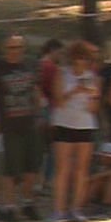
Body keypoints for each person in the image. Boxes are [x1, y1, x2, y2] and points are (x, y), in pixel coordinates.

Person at [0, 35, 44, 222]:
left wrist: (39, 112)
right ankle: (9, 206)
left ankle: (28, 203)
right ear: (4, 49)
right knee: (11, 168)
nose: (15, 51)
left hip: (30, 122)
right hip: (10, 124)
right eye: (11, 47)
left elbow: (35, 89)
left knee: (31, 166)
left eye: (19, 47)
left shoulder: (30, 64)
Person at [48, 39, 101, 222]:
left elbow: (95, 107)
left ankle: (76, 208)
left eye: (84, 59)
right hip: (64, 124)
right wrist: (75, 91)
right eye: (78, 58)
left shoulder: (93, 77)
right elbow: (59, 101)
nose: (81, 62)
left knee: (81, 169)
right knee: (62, 168)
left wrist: (92, 96)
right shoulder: (62, 75)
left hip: (85, 125)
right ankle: (58, 210)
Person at [37, 39, 64, 192]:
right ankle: (45, 182)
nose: (60, 55)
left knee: (44, 150)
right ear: (53, 50)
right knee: (51, 149)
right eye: (59, 52)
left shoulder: (40, 65)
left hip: (43, 109)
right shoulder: (50, 68)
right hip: (48, 110)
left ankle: (39, 182)